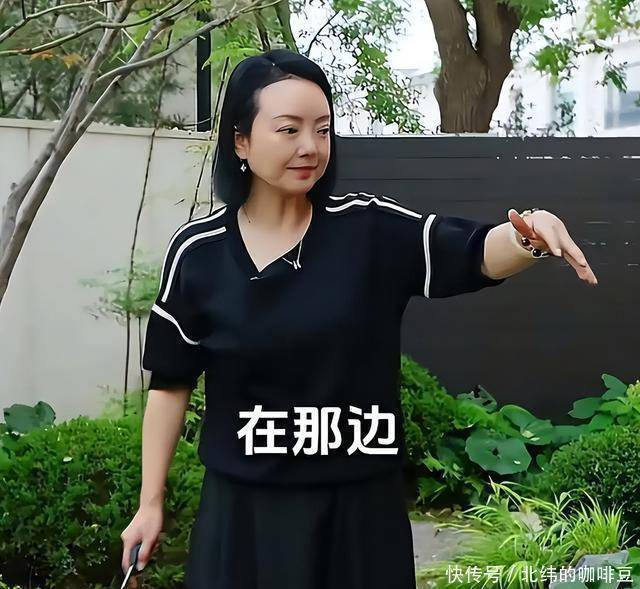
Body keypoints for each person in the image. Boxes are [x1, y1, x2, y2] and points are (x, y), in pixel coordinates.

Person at [119, 48, 598, 589]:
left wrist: (527, 234)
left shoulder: (368, 230)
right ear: (241, 141)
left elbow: (473, 254)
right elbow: (171, 383)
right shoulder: (198, 252)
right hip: (244, 516)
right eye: (289, 129)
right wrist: (150, 503)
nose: (310, 146)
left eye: (322, 130)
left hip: (359, 515)